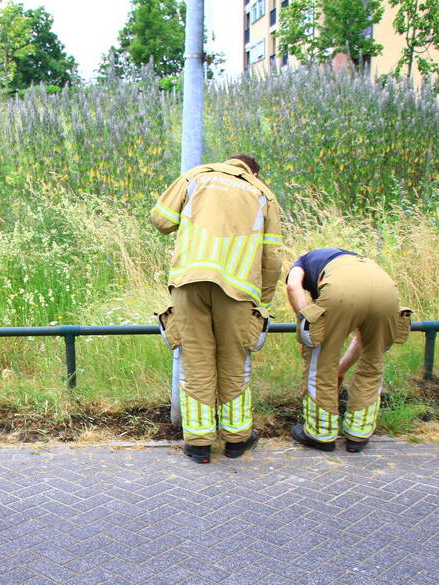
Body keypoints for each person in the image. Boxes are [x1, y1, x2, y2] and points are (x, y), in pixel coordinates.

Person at [151, 155, 283, 463]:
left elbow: (161, 220)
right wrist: (262, 299)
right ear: (252, 171)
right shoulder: (263, 193)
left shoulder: (196, 176)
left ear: (229, 163)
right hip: (238, 289)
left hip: (190, 281)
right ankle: (236, 441)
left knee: (195, 359)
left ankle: (198, 445)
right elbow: (272, 256)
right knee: (235, 361)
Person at [285, 249, 411, 452]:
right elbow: (363, 339)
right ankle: (358, 435)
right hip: (387, 293)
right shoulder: (356, 260)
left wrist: (307, 323)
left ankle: (320, 434)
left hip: (340, 292)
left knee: (321, 363)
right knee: (373, 362)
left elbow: (292, 286)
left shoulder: (302, 261)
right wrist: (341, 369)